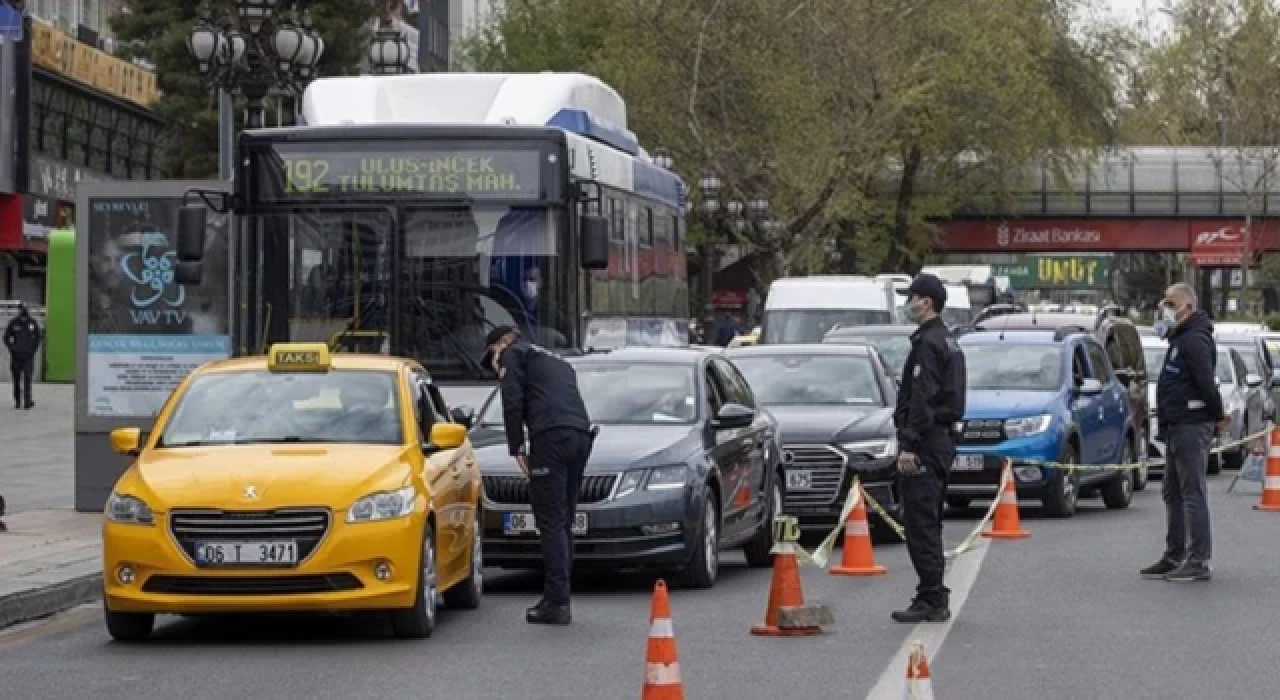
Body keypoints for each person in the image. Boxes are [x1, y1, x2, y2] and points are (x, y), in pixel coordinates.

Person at [481, 325, 595, 625]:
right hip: (580, 435)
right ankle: (561, 593)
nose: (494, 366)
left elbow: (512, 399)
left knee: (550, 520)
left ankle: (557, 602)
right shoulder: (557, 360)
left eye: (491, 356)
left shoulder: (511, 353)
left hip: (551, 438)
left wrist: (516, 446)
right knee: (565, 519)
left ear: (501, 343)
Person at [891, 274, 966, 624]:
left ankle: (933, 596)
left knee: (921, 522)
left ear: (928, 302)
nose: (909, 303)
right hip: (941, 440)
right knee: (928, 519)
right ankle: (931, 593)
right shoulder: (947, 341)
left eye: (914, 298)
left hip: (927, 442)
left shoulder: (929, 344)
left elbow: (922, 398)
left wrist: (909, 443)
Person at [1144, 283, 1226, 583]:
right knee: (1172, 491)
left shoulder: (1193, 341)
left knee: (1192, 492)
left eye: (1170, 303)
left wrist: (1217, 416)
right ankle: (1174, 555)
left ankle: (1198, 560)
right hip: (1177, 424)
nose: (1164, 309)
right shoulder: (1180, 339)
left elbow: (1206, 382)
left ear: (1187, 308)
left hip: (1191, 423)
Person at [4, 305, 41, 410]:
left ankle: (27, 401)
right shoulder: (13, 323)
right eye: (22, 316)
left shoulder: (32, 323)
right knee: (16, 379)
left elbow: (38, 337)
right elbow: (6, 337)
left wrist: (33, 349)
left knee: (27, 378)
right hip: (16, 356)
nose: (23, 319)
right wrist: (12, 349)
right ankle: (17, 401)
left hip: (28, 356)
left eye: (25, 316)